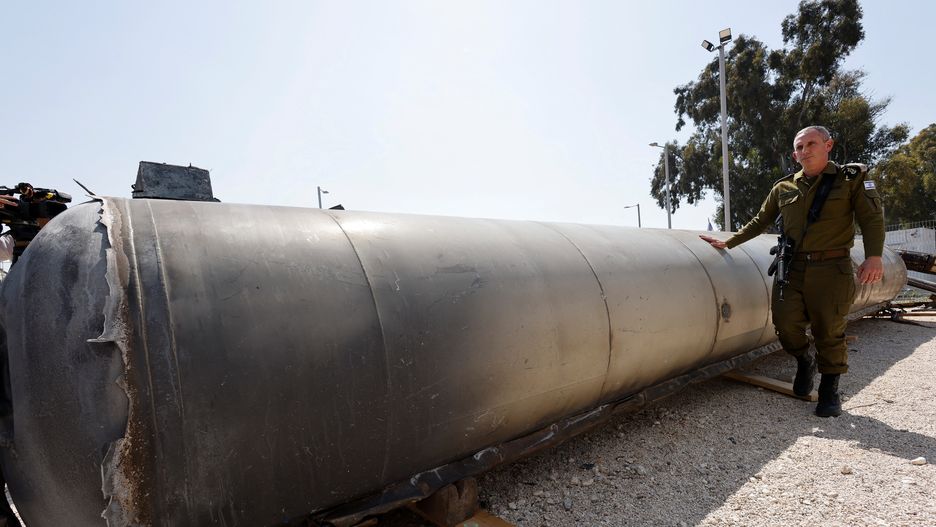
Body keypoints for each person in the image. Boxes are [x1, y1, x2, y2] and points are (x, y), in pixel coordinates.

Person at [699, 125, 884, 418]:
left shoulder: (850, 180)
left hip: (832, 268)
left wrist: (873, 257)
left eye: (811, 144)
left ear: (828, 145)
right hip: (793, 266)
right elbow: (761, 221)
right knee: (785, 323)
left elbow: (872, 220)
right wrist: (729, 242)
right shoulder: (784, 187)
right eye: (799, 147)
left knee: (830, 330)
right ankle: (803, 360)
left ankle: (829, 389)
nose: (804, 151)